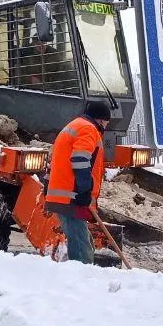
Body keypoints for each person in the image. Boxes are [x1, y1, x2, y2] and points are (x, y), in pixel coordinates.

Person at [44, 100, 111, 263]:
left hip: (65, 196)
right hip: (71, 198)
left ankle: (81, 278)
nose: (106, 127)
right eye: (107, 122)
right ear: (101, 119)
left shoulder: (75, 126)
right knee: (82, 250)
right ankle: (82, 283)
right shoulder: (88, 129)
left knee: (83, 243)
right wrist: (84, 190)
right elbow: (80, 160)